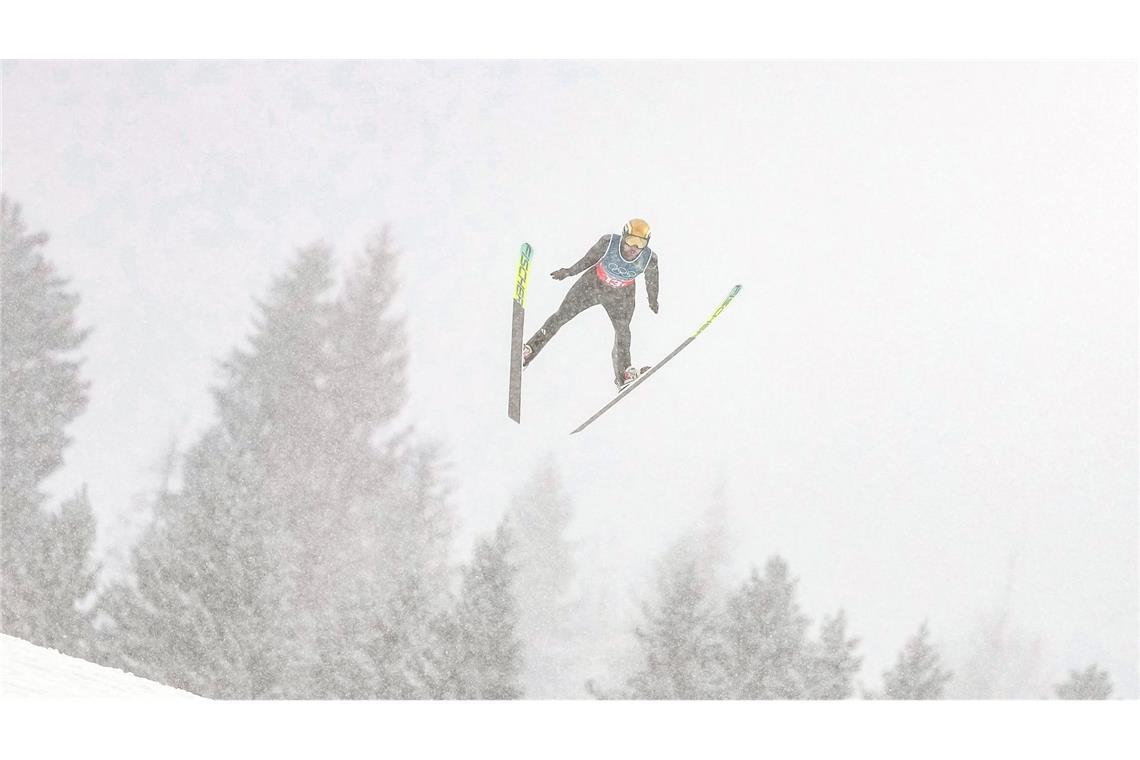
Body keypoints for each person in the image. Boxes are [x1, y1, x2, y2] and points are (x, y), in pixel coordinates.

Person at [522, 218, 659, 389]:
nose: (634, 248)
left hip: (621, 296)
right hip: (593, 284)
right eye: (631, 241)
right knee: (561, 316)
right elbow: (589, 259)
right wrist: (569, 272)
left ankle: (624, 374)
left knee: (623, 332)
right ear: (623, 236)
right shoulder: (608, 243)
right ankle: (528, 352)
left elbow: (652, 281)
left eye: (640, 243)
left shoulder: (649, 259)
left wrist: (653, 300)